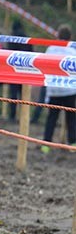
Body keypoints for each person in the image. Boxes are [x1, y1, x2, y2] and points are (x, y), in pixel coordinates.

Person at [40, 25, 76, 153]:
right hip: (69, 89)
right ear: (70, 37)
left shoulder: (51, 49)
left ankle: (45, 144)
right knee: (71, 118)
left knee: (51, 118)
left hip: (54, 89)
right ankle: (72, 144)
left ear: (57, 35)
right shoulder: (72, 49)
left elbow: (43, 65)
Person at [4, 20, 33, 121]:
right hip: (25, 70)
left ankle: (12, 116)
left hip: (13, 70)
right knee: (24, 94)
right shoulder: (26, 37)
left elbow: (8, 53)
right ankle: (24, 116)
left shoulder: (11, 38)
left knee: (13, 94)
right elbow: (32, 53)